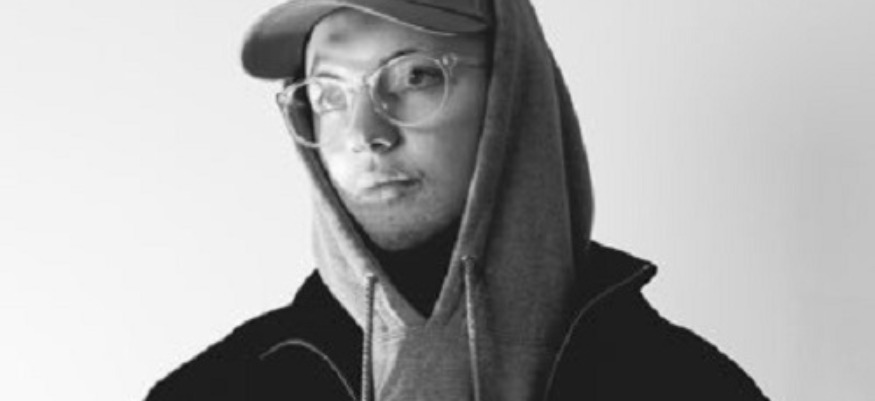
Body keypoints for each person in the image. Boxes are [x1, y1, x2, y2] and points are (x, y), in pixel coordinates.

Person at [147, 0, 769, 400]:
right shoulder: (219, 390)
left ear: (511, 96)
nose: (365, 133)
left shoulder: (685, 385)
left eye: (415, 76)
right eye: (329, 94)